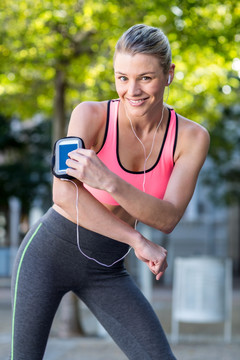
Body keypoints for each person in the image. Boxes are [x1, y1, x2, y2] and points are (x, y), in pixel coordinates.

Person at [10, 24, 210, 360]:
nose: (132, 90)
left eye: (145, 78)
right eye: (122, 78)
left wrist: (109, 181)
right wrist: (137, 240)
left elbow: (168, 217)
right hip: (46, 255)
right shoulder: (89, 116)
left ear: (169, 75)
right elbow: (64, 196)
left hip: (106, 267)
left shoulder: (191, 138)